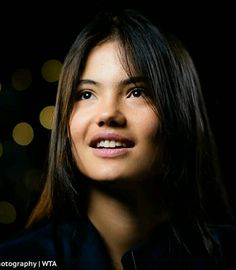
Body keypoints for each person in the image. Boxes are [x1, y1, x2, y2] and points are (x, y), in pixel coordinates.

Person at [0, 8, 235, 270]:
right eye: (86, 94)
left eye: (136, 92)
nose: (108, 114)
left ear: (179, 112)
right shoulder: (17, 260)